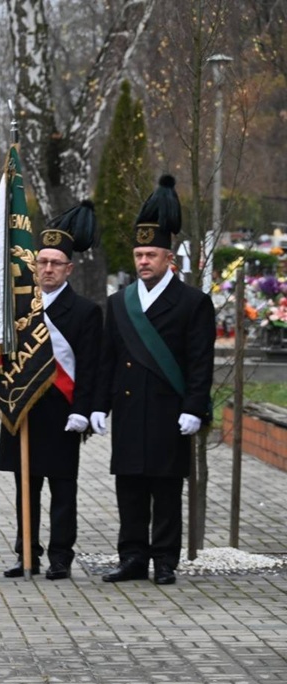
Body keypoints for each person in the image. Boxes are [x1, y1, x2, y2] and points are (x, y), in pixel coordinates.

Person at [91, 175, 215, 585]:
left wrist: (195, 407)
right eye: (139, 254)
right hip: (129, 409)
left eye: (151, 254)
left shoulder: (193, 302)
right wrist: (98, 405)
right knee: (129, 487)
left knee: (165, 489)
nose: (143, 261)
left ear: (169, 258)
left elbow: (200, 362)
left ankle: (164, 560)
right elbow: (108, 360)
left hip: (169, 411)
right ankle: (132, 557)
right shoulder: (119, 303)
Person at [0, 200, 102, 580]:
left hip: (62, 412)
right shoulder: (18, 308)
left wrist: (84, 410)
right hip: (24, 408)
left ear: (69, 268)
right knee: (26, 487)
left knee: (62, 489)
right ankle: (26, 553)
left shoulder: (85, 311)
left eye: (56, 263)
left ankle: (60, 557)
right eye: (42, 262)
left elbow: (90, 367)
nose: (48, 269)